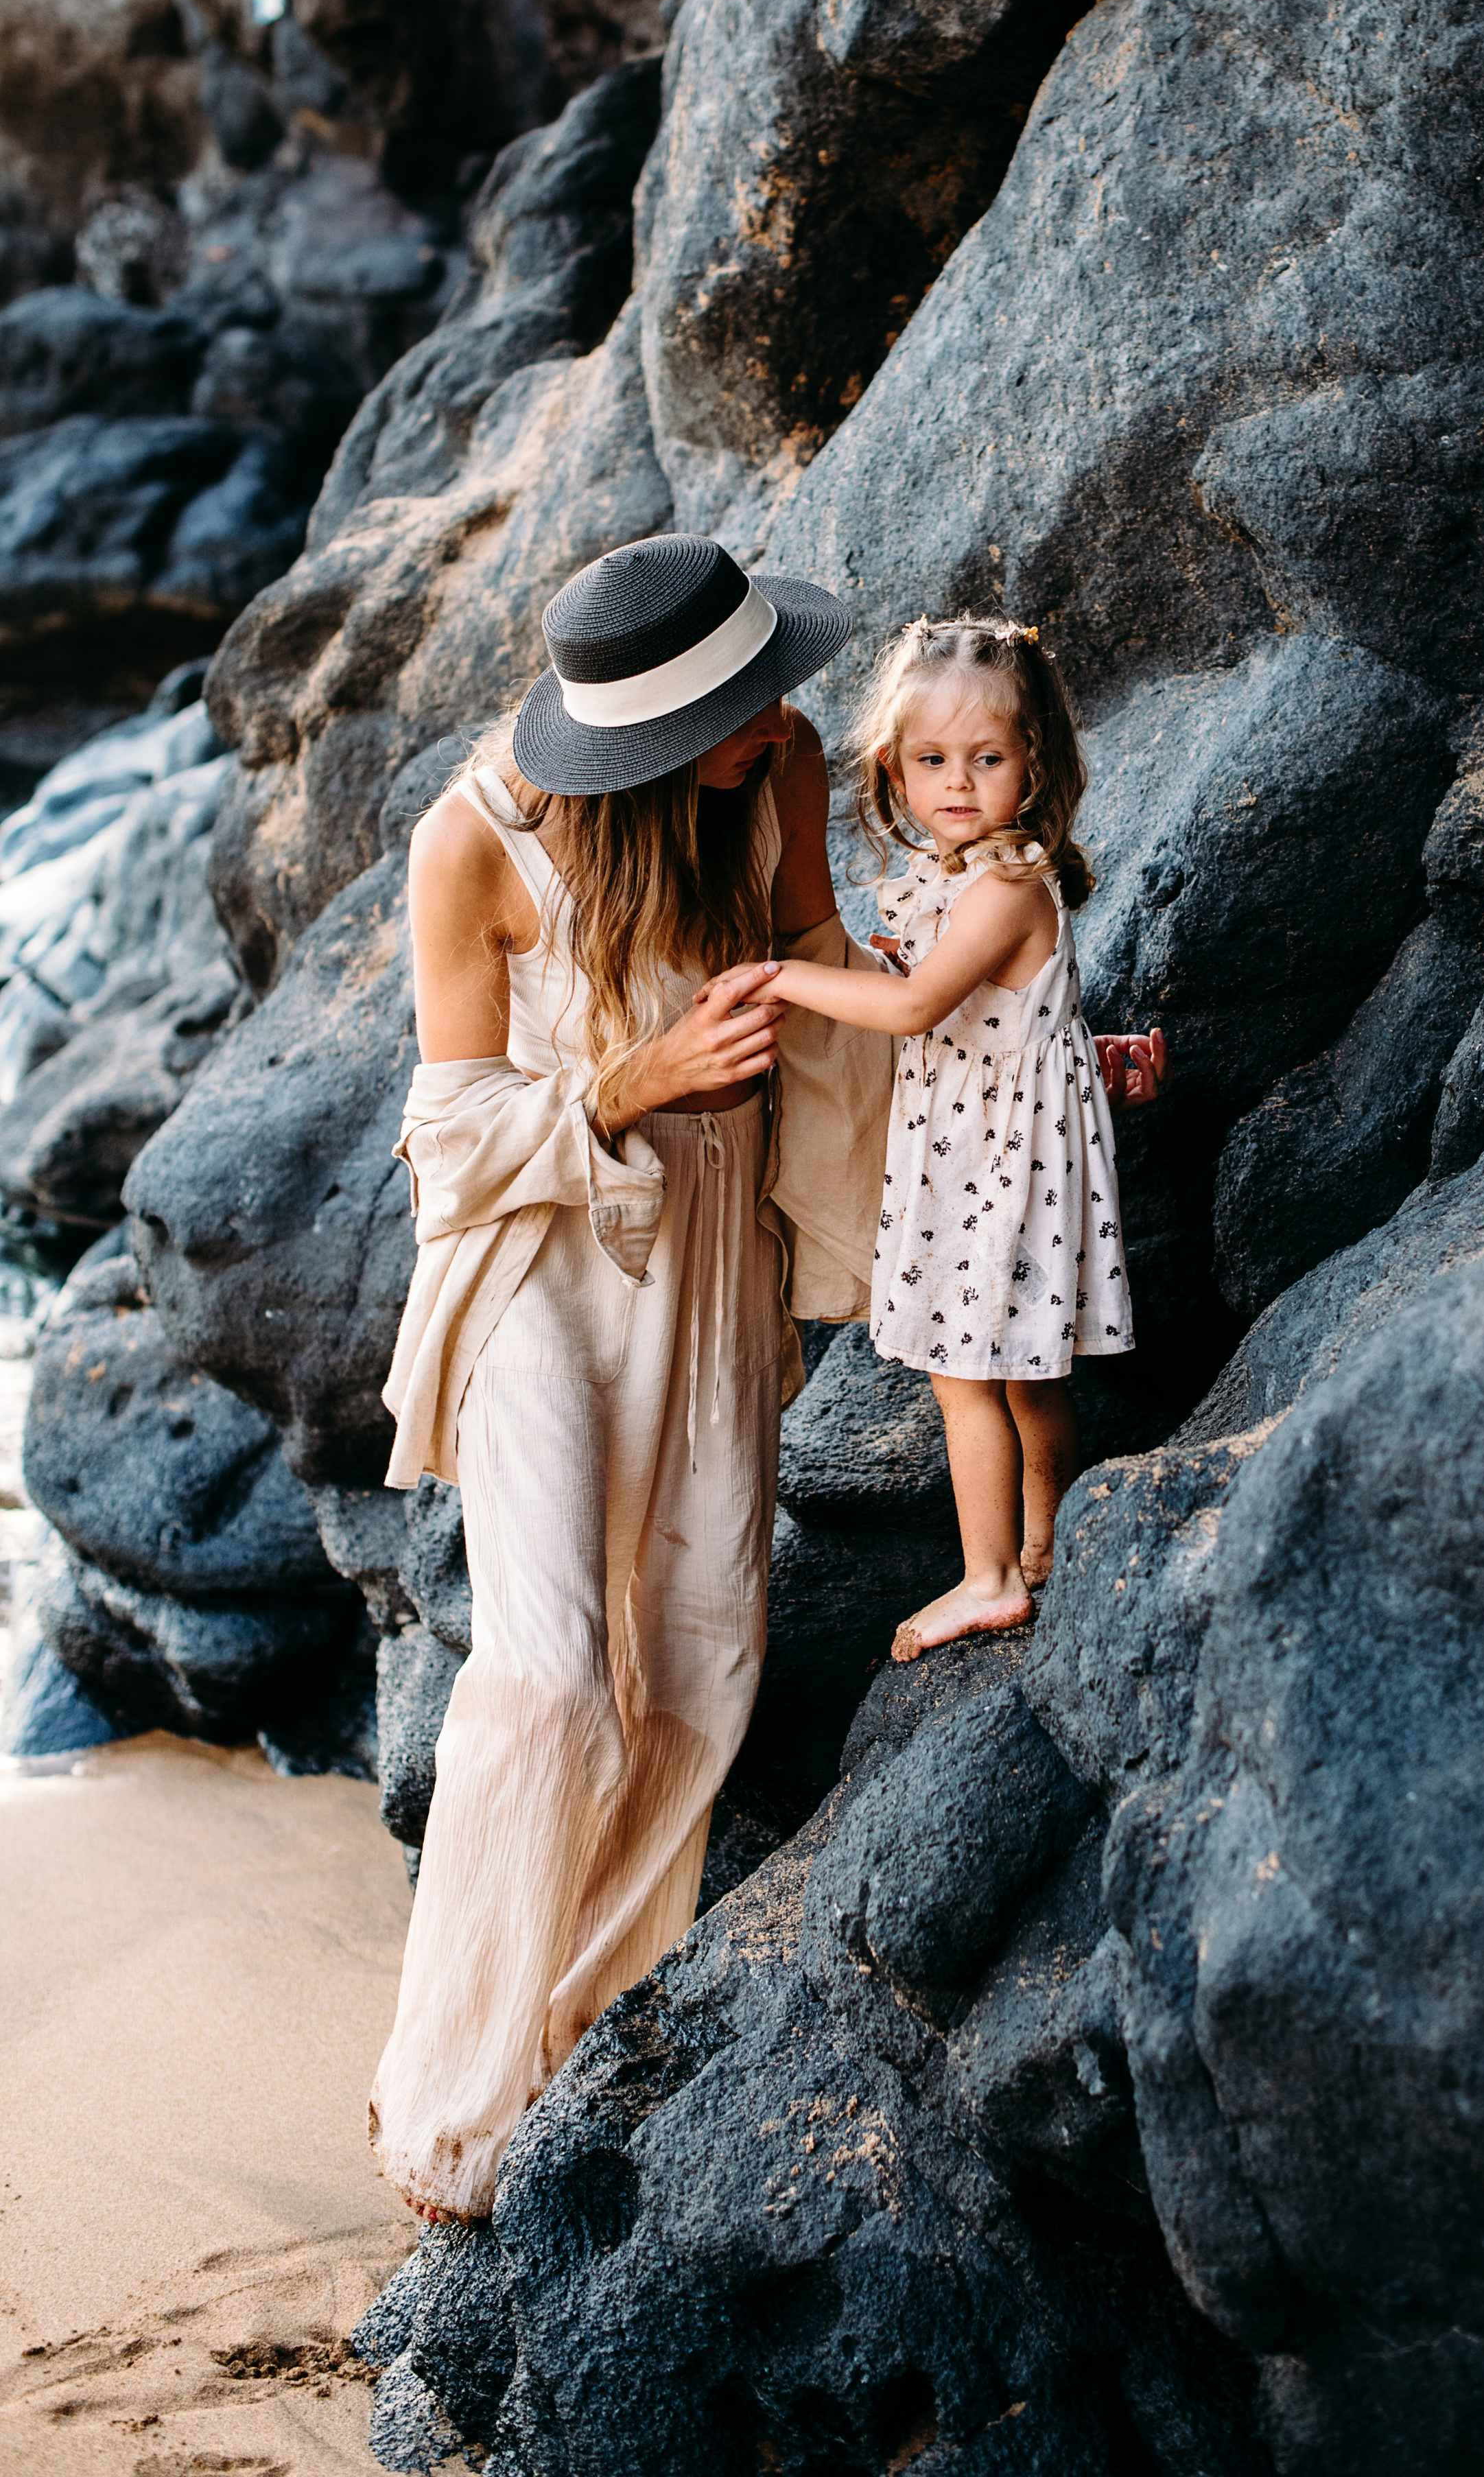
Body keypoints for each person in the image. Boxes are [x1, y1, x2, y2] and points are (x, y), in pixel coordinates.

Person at [366, 532, 893, 2227]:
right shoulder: (475, 843)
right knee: (547, 1668)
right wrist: (630, 1078)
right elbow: (449, 1142)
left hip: (710, 1248)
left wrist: (1024, 1058)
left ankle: (577, 2029)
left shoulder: (774, 772)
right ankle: (450, 2110)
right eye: (737, 711)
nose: (776, 721)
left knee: (698, 1649)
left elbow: (834, 991)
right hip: (539, 1261)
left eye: (767, 690)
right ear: (645, 740)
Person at [760, 615, 1166, 1663]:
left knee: (967, 1374)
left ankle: (989, 1581)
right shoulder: (973, 876)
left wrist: (779, 977)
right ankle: (1045, 1542)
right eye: (933, 760)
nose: (957, 782)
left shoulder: (1004, 888)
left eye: (987, 759)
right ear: (894, 768)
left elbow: (914, 1010)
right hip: (994, 1147)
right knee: (1028, 1370)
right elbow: (993, 1012)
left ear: (1035, 765)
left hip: (993, 1164)